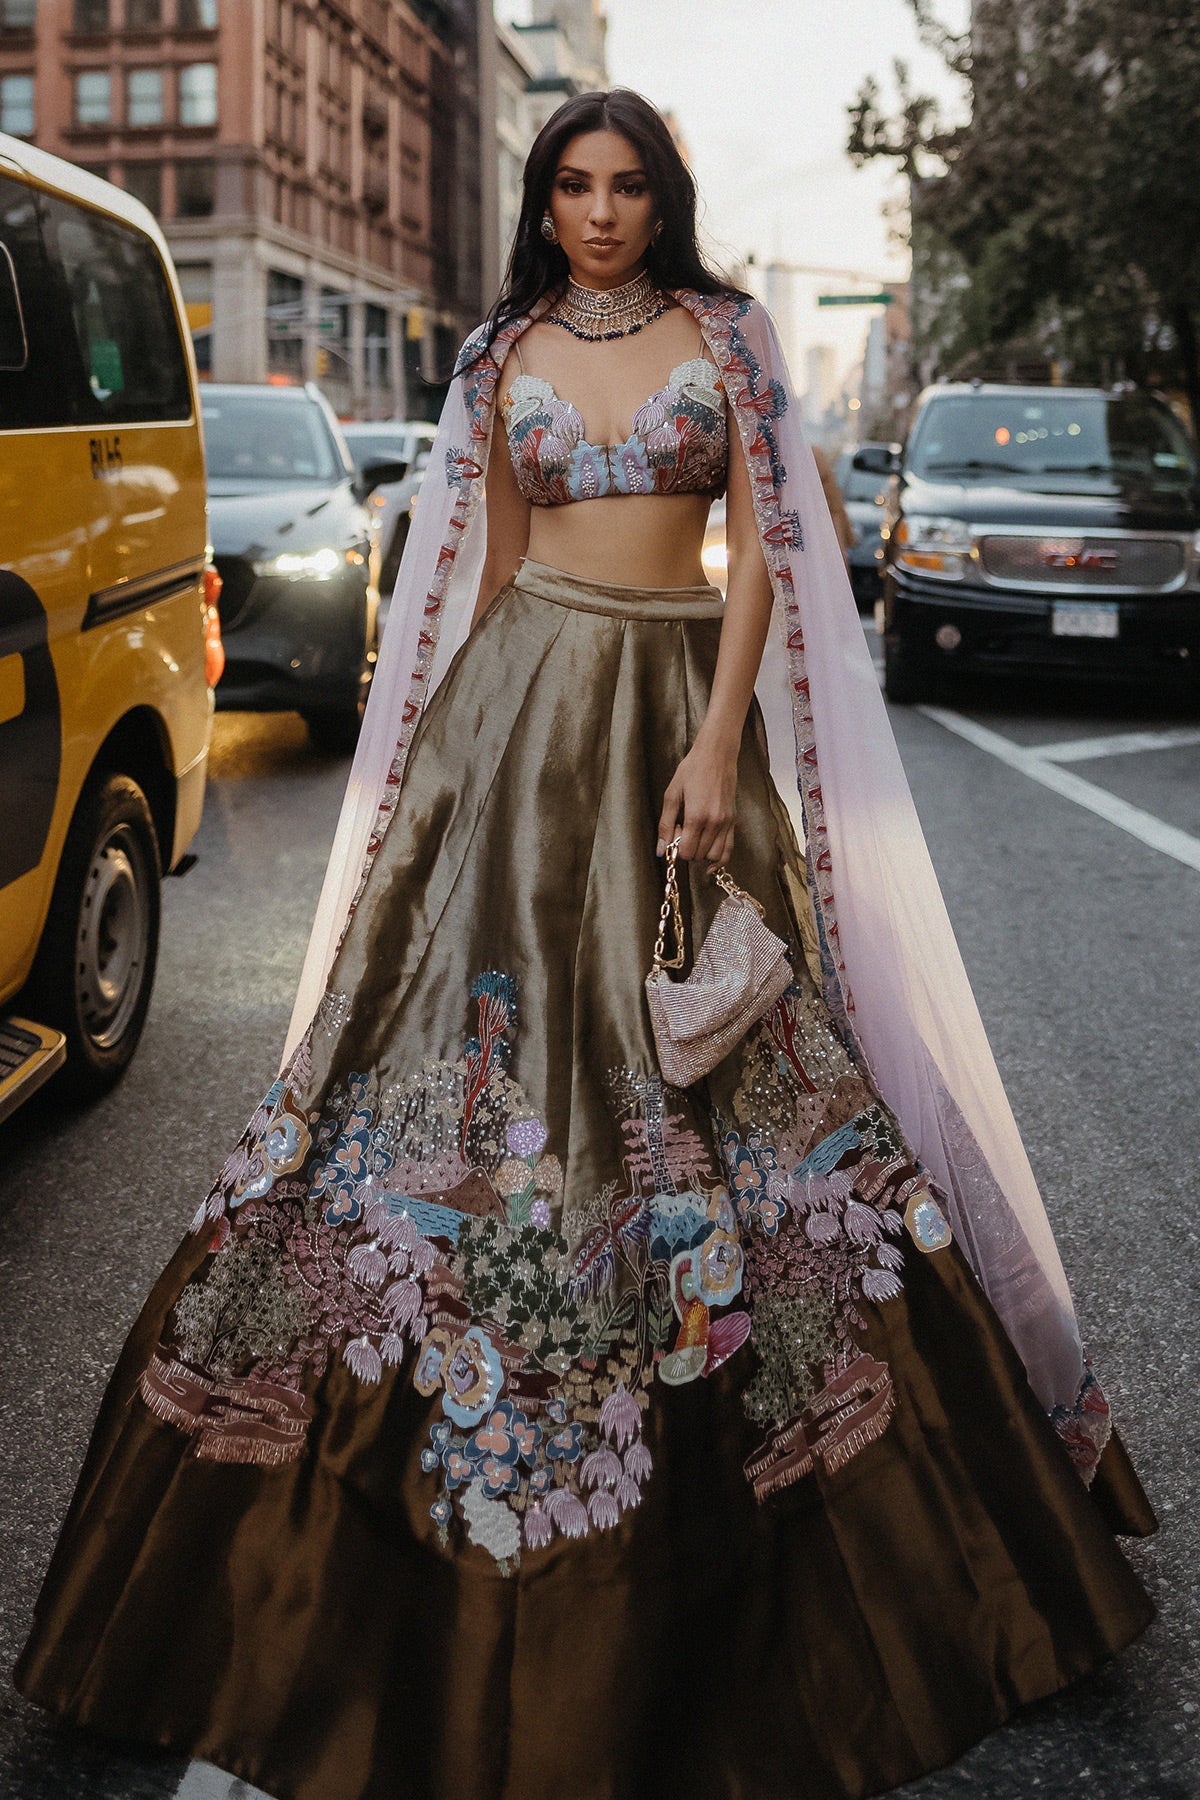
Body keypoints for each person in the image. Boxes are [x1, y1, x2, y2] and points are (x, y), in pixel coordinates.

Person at [15, 88, 1154, 1800]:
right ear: (544, 203)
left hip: (673, 716)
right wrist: (433, 768)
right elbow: (486, 569)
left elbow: (767, 553)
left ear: (662, 199)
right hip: (516, 718)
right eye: (574, 184)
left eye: (628, 185)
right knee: (446, 1088)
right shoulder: (495, 358)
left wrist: (714, 740)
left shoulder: (730, 335)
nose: (601, 210)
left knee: (723, 1063)